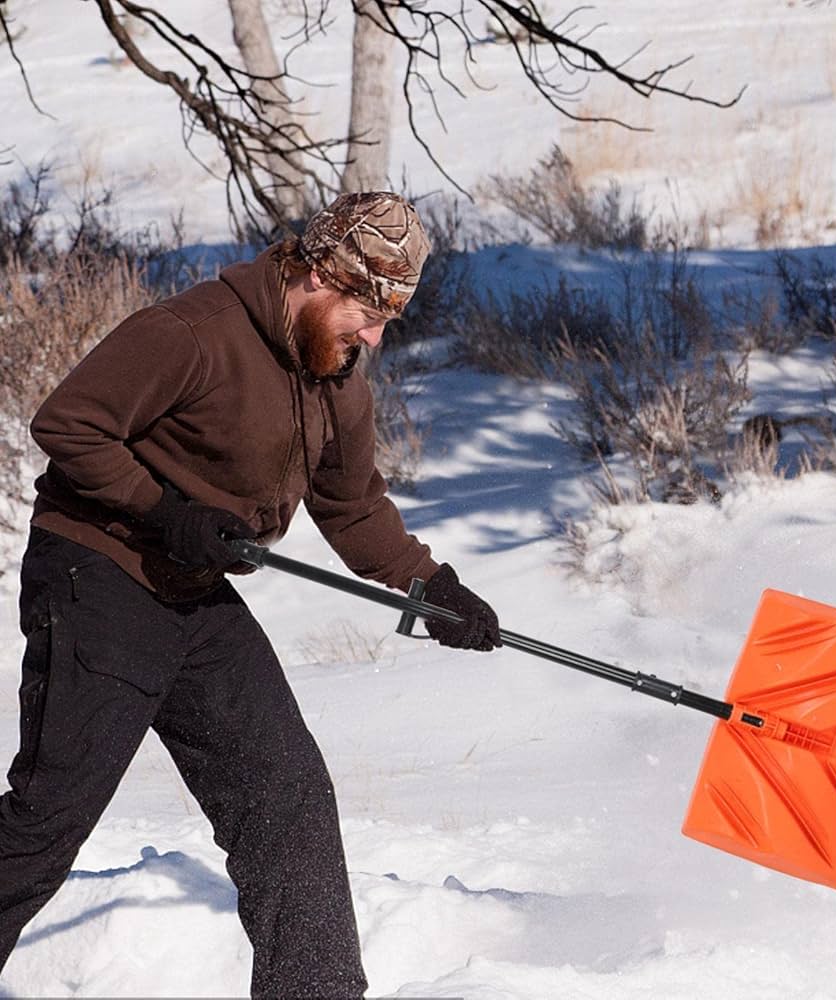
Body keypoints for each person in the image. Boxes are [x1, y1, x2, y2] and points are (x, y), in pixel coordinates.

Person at [0, 192, 502, 999]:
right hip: (99, 574)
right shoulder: (193, 333)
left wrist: (430, 584)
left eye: (385, 322)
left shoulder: (337, 377)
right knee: (48, 819)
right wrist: (163, 510)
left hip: (194, 594)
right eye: (365, 312)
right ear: (317, 272)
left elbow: (354, 507)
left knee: (288, 798)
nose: (372, 337)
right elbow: (68, 424)